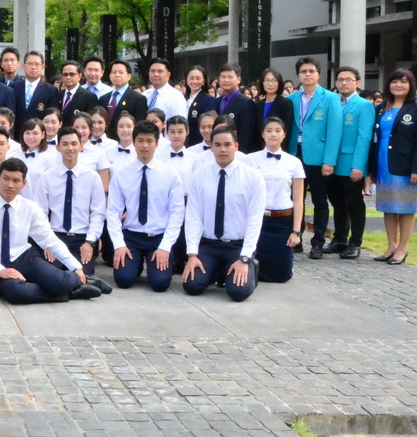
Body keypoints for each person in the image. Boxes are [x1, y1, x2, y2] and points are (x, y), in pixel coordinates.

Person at [0, 158, 106, 303]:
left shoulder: (30, 207)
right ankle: (71, 292)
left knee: (61, 282)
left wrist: (76, 267)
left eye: (16, 181)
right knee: (16, 292)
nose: (10, 185)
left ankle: (80, 281)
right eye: (6, 179)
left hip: (24, 257)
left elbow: (49, 239)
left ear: (24, 183)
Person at [182, 125, 265, 301]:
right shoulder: (199, 176)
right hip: (209, 244)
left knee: (239, 292)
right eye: (217, 145)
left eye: (227, 144)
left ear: (236, 146)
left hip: (237, 245)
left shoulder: (253, 177)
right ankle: (216, 270)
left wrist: (245, 258)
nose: (222, 149)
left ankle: (250, 267)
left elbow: (255, 220)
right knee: (192, 285)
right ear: (211, 147)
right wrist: (192, 254)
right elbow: (193, 216)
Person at [107, 120, 185, 291]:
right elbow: (113, 212)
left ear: (157, 143)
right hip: (131, 236)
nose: (145, 145)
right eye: (140, 140)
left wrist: (165, 247)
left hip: (158, 236)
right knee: (123, 280)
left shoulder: (169, 174)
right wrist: (119, 245)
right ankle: (134, 265)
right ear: (134, 142)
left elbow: (177, 212)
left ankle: (154, 263)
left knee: (159, 283)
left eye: (150, 141)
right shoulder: (122, 174)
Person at [287, 56, 342, 259]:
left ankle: (318, 241)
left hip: (318, 156)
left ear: (318, 74)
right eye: (303, 71)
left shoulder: (330, 98)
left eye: (311, 71)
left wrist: (329, 161)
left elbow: (335, 131)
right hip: (295, 153)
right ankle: (296, 237)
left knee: (320, 200)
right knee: (296, 198)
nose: (307, 74)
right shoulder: (292, 99)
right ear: (298, 75)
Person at [31, 126, 106, 275]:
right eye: (65, 144)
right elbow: (40, 212)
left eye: (73, 143)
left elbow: (98, 213)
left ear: (81, 146)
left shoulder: (92, 177)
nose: (70, 148)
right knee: (50, 275)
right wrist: (47, 242)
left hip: (82, 239)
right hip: (55, 237)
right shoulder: (47, 177)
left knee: (82, 276)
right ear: (58, 148)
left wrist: (90, 242)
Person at [245, 117, 305, 283]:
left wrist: (296, 232)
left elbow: (298, 199)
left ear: (284, 135)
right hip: (257, 219)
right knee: (252, 270)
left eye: (278, 131)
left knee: (282, 275)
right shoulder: (250, 160)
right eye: (269, 130)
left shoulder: (294, 162)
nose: (273, 134)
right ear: (262, 134)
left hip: (282, 222)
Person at [325, 66, 375, 259]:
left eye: (348, 79)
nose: (343, 83)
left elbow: (364, 137)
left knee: (354, 203)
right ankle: (340, 239)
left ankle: (355, 242)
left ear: (357, 83)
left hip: (351, 162)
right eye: (340, 80)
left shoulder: (364, 105)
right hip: (333, 161)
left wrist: (359, 166)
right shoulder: (334, 103)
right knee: (337, 202)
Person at [368, 68, 417, 265]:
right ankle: (391, 246)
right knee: (388, 207)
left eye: (403, 81)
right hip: (383, 165)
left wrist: (415, 169)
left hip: (405, 166)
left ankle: (403, 249)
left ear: (411, 85)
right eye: (395, 81)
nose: (398, 85)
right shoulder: (382, 108)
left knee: (405, 208)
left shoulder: (414, 108)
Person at [99, 60, 148, 140]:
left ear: (129, 76)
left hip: (125, 141)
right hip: (104, 142)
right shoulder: (103, 99)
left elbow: (139, 125)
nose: (117, 75)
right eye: (114, 72)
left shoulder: (138, 99)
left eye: (121, 72)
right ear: (110, 76)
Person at [215, 63, 258, 154]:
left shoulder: (246, 103)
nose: (226, 80)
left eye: (230, 77)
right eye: (223, 77)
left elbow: (247, 135)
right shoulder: (216, 101)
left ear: (238, 80)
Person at [254, 68, 294, 152]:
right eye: (267, 80)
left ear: (279, 83)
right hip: (259, 150)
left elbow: (287, 130)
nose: (270, 84)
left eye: (274, 80)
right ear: (262, 83)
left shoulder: (285, 104)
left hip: (278, 150)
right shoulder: (258, 105)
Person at [185, 66, 219, 147]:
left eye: (198, 78)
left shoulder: (208, 99)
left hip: (198, 143)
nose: (194, 81)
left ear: (203, 81)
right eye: (191, 78)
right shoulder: (184, 98)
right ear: (186, 80)